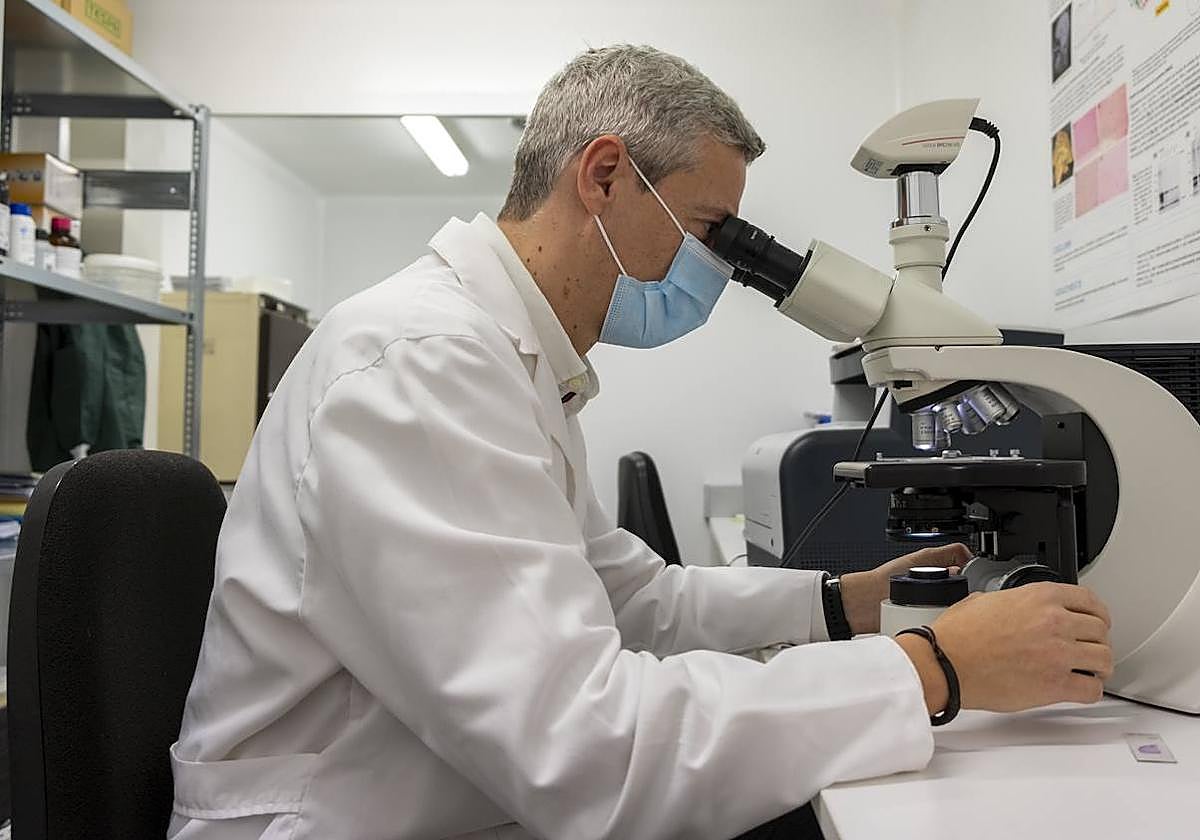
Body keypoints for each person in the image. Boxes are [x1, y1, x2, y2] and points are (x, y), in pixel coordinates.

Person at [169, 45, 1113, 840]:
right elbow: (585, 752)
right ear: (605, 175)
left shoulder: (510, 361)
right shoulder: (421, 366)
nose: (716, 269)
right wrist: (935, 669)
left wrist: (845, 607)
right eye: (710, 231)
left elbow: (635, 599)